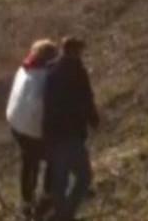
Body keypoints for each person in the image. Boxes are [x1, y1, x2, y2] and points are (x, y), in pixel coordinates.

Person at [43, 37, 100, 221]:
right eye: (80, 51)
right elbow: (86, 98)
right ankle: (65, 215)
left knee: (60, 179)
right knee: (84, 176)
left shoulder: (50, 71)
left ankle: (61, 213)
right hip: (71, 132)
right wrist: (94, 121)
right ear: (74, 51)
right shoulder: (77, 71)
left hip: (52, 134)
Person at [6, 39, 59, 219]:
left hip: (16, 124)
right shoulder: (47, 78)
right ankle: (47, 196)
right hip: (32, 128)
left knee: (29, 161)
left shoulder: (23, 70)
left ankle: (26, 202)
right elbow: (42, 107)